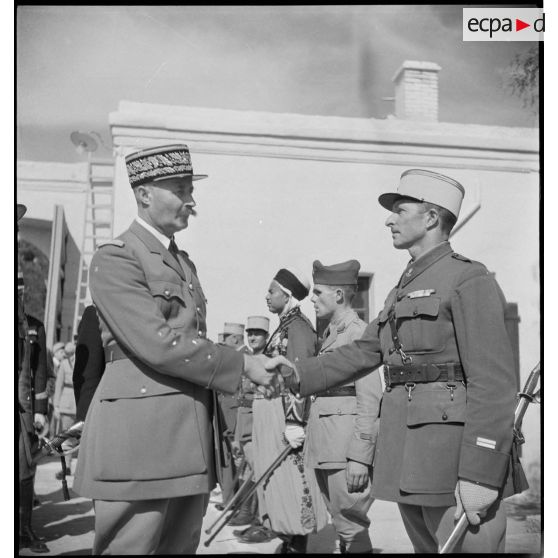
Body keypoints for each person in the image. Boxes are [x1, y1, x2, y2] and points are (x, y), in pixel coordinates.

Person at [266, 169, 518, 553]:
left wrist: (481, 473)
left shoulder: (468, 279)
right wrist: (298, 372)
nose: (389, 219)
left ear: (431, 217)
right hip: (409, 453)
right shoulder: (404, 286)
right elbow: (367, 351)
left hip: (454, 459)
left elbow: (494, 383)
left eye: (400, 210)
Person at [72, 144, 275, 555]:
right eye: (180, 189)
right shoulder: (117, 258)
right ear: (145, 194)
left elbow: (189, 339)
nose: (191, 200)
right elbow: (159, 345)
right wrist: (244, 365)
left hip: (188, 435)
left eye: (190, 189)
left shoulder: (182, 263)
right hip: (140, 439)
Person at [247, 268, 327, 553]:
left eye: (272, 291)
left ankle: (296, 544)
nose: (267, 296)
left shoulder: (298, 328)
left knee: (293, 483)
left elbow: (299, 377)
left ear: (287, 294)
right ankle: (288, 541)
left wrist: (295, 421)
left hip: (286, 416)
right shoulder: (284, 326)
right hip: (272, 412)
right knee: (276, 484)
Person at [306, 259, 382, 553]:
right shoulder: (333, 333)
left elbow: (370, 399)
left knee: (351, 526)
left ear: (338, 295)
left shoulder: (358, 333)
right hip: (328, 446)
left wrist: (360, 457)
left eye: (318, 292)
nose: (312, 298)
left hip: (345, 450)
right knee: (343, 526)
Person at [17, 204, 49, 553]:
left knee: (26, 465)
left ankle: (24, 529)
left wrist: (39, 408)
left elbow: (37, 367)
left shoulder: (32, 325)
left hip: (23, 404)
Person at [231, 316, 273, 536]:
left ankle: (264, 523)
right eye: (250, 333)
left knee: (261, 473)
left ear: (267, 335)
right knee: (247, 471)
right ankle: (248, 514)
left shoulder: (271, 360)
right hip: (246, 421)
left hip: (261, 423)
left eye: (258, 333)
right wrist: (237, 435)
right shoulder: (246, 360)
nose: (253, 337)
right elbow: (240, 400)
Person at [215, 322, 248, 509]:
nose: (224, 342)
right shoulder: (235, 356)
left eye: (226, 338)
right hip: (227, 411)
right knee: (229, 456)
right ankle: (230, 499)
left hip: (236, 412)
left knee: (239, 456)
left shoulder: (245, 357)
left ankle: (238, 503)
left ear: (235, 338)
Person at [53, 342, 78, 476]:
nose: (70, 355)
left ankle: (79, 467)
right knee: (67, 438)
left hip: (79, 404)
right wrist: (56, 406)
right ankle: (66, 467)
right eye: (68, 353)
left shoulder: (82, 363)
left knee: (78, 439)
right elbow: (58, 385)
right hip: (67, 404)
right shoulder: (63, 365)